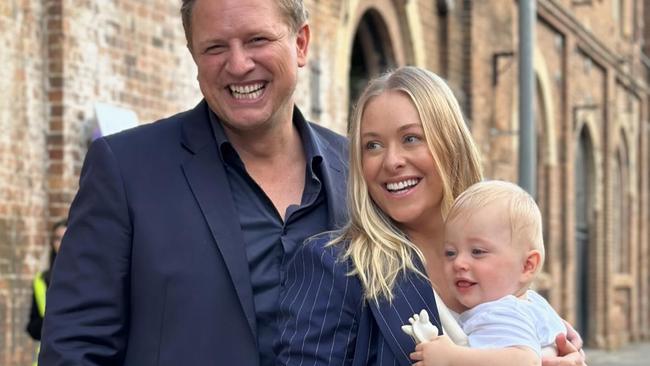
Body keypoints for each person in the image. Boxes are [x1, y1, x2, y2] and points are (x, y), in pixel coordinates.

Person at [39, 1, 347, 365]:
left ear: (300, 43)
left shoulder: (356, 170)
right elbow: (74, 349)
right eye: (215, 47)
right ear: (193, 55)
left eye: (257, 39)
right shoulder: (126, 170)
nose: (238, 64)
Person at [277, 66, 586, 366]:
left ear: (451, 145)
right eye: (373, 145)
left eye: (411, 138)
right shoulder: (335, 265)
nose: (392, 161)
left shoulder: (503, 250)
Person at [407, 180, 568, 366]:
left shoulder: (500, 312)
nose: (459, 262)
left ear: (527, 266)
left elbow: (526, 361)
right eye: (450, 253)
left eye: (477, 252)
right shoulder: (534, 303)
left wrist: (451, 358)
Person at [26, 220, 67, 365]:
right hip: (48, 357)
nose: (61, 243)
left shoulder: (90, 277)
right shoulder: (41, 280)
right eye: (57, 238)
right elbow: (32, 327)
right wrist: (51, 323)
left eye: (66, 237)